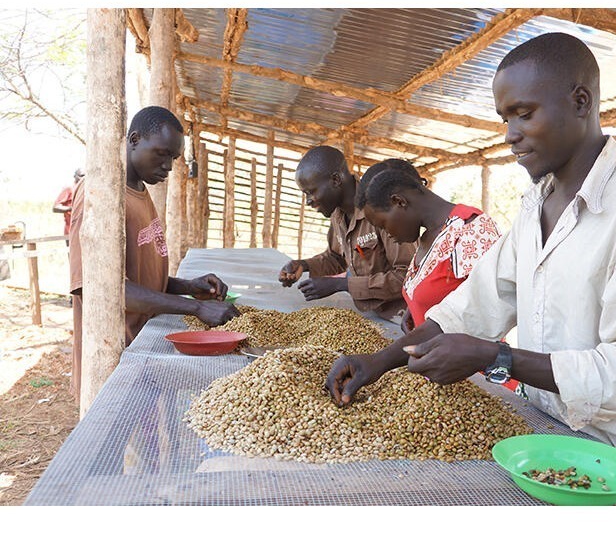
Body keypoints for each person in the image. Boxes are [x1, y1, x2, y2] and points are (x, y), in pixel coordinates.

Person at [325, 32, 616, 494]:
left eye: (524, 113)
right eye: (505, 118)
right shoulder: (534, 206)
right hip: (545, 443)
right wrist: (380, 361)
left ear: (581, 102)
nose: (510, 135)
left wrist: (496, 357)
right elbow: (472, 308)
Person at [68, 106, 240, 402]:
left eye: (173, 158)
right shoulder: (101, 194)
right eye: (161, 154)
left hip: (142, 347)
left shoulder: (139, 189)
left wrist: (187, 287)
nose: (169, 167)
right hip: (115, 357)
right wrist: (196, 309)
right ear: (134, 139)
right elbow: (102, 288)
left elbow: (136, 274)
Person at [356, 158, 502, 334]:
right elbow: (440, 291)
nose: (386, 234)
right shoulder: (427, 237)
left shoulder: (470, 230)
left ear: (399, 201)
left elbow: (489, 314)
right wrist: (415, 306)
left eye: (383, 225)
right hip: (433, 359)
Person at [278, 145, 416, 322]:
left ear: (335, 180)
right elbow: (336, 257)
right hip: (371, 312)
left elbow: (408, 278)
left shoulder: (381, 207)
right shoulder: (337, 214)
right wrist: (303, 265)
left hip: (402, 317)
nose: (308, 201)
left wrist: (341, 284)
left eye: (310, 192)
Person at [53, 168, 85, 240]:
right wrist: (72, 208)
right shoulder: (69, 188)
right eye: (81, 176)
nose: (83, 179)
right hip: (70, 230)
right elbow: (55, 207)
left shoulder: (87, 188)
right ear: (75, 176)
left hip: (83, 230)